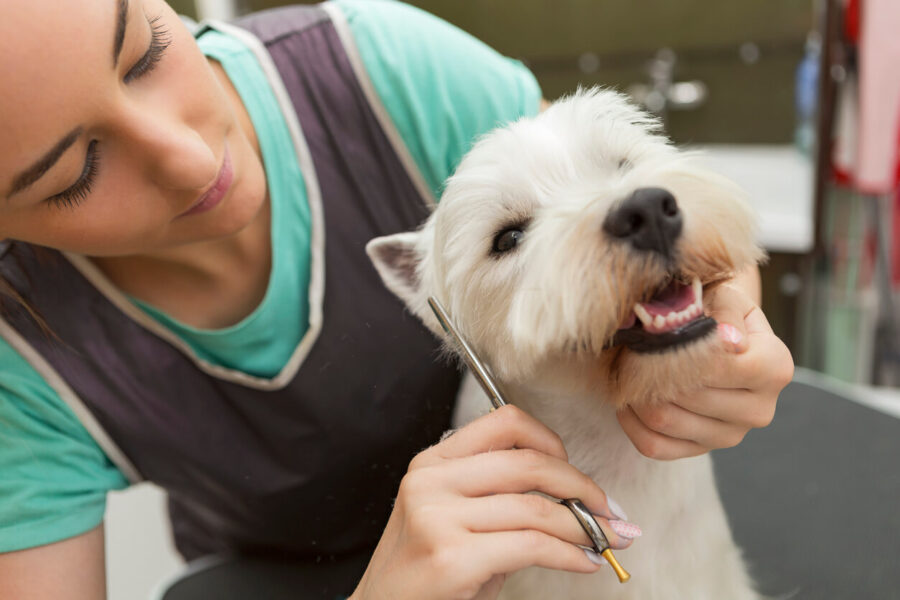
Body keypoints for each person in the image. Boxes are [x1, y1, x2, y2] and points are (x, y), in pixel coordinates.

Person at [0, 0, 794, 598]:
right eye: (74, 173)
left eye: (144, 54)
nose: (188, 156)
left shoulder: (378, 67)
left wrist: (731, 320)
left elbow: (613, 199)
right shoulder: (21, 371)